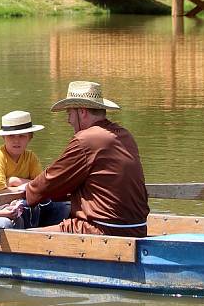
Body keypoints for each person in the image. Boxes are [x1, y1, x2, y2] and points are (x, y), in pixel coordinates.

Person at [25, 81, 150, 237]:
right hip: (138, 228)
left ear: (82, 112)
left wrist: (28, 190)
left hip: (104, 229)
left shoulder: (85, 139)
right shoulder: (125, 134)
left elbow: (50, 181)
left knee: (25, 236)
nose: (68, 120)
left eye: (69, 113)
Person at [0, 110, 69, 228]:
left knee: (64, 206)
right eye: (11, 136)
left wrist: (15, 181)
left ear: (30, 137)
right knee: (23, 208)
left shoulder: (31, 157)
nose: (16, 140)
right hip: (5, 206)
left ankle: (51, 237)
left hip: (29, 201)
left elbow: (43, 186)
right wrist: (27, 187)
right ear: (3, 137)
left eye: (22, 136)